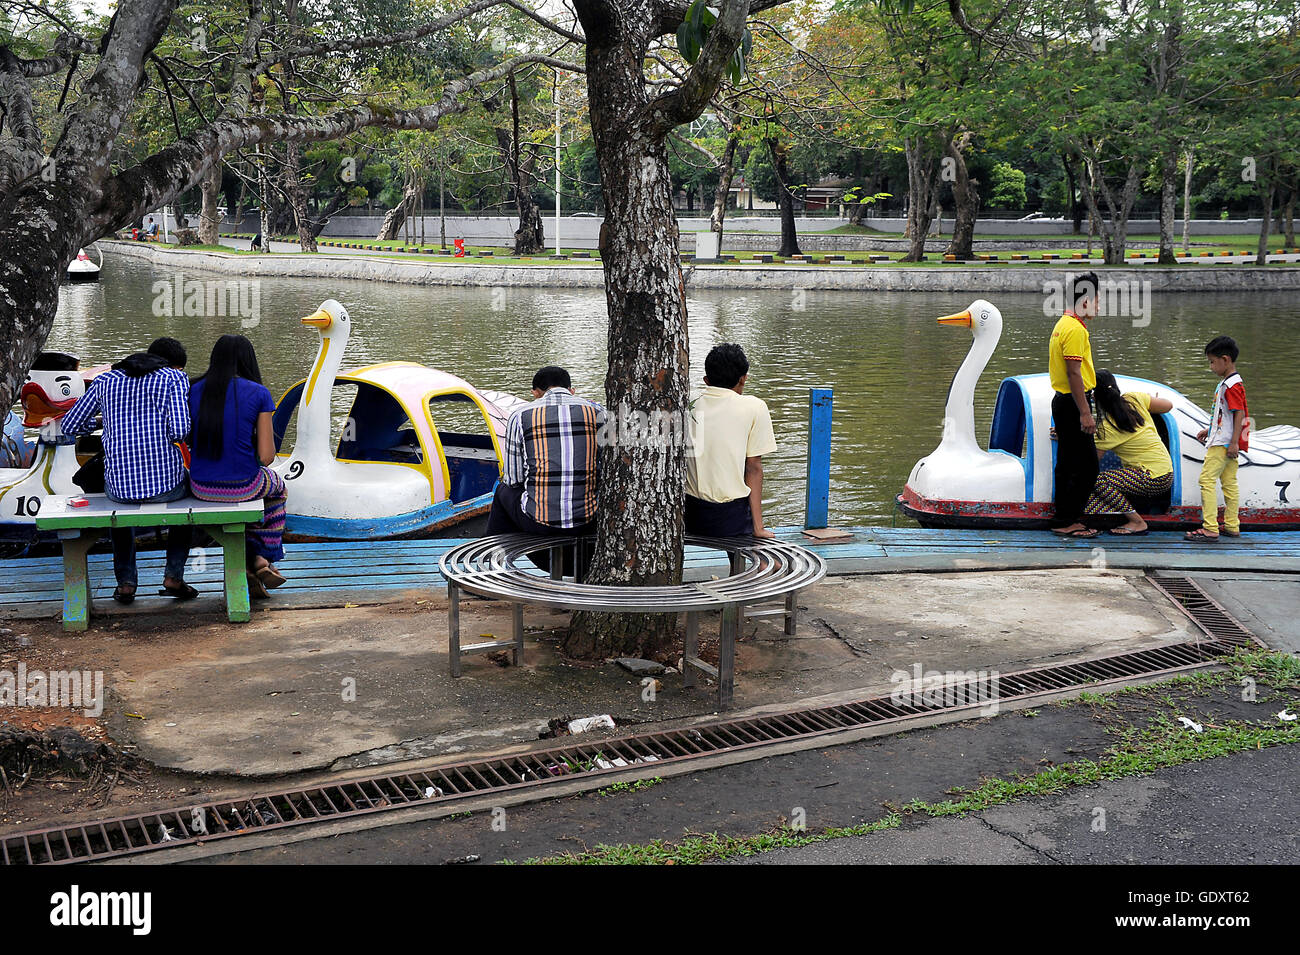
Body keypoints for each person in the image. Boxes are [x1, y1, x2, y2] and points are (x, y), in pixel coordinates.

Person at [62, 337, 195, 604]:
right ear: (171, 364)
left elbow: (70, 425)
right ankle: (173, 575)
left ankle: (125, 583)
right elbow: (181, 431)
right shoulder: (173, 379)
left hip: (119, 489)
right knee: (192, 499)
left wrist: (106, 423)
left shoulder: (104, 381)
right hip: (166, 487)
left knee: (119, 503)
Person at [188, 335, 288, 597]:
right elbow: (266, 457)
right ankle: (263, 557)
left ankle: (248, 563)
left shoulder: (192, 389)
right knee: (277, 489)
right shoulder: (258, 393)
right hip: (242, 485)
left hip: (200, 486)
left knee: (256, 497)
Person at [486, 366, 603, 571]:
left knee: (502, 491)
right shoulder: (599, 412)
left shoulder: (521, 416)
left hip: (539, 523)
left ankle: (491, 565)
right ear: (571, 390)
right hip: (589, 519)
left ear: (536, 392)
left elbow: (513, 478)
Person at [684, 343, 777, 538]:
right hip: (731, 519)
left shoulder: (688, 404)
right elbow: (753, 468)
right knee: (769, 561)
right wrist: (758, 528)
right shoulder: (754, 407)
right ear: (743, 378)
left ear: (706, 380)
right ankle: (742, 564)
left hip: (689, 514)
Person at [1083, 371, 1175, 536]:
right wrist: (1148, 400)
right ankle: (1129, 512)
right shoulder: (1134, 398)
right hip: (1166, 473)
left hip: (1151, 478)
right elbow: (1167, 405)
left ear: (1095, 398)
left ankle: (1137, 522)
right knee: (1095, 500)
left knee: (1098, 481)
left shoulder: (1107, 429)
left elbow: (1090, 465)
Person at [1048, 272, 1101, 539]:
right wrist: (1085, 412)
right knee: (1088, 466)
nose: (1099, 307)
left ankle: (1064, 518)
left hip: (1063, 401)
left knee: (1068, 463)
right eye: (1097, 301)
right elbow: (1073, 374)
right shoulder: (1075, 330)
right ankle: (1066, 519)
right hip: (1073, 402)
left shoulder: (1063, 324)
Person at [1187, 336, 1248, 542]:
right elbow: (1226, 415)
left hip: (1223, 444)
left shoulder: (1231, 385)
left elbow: (1239, 413)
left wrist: (1233, 442)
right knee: (1229, 483)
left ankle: (1210, 528)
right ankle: (1232, 525)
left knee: (1206, 480)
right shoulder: (1229, 383)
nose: (1211, 367)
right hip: (1224, 439)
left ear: (1225, 359)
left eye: (1212, 362)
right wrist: (1210, 428)